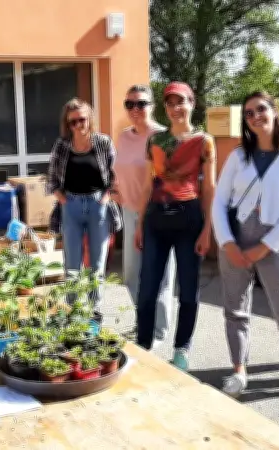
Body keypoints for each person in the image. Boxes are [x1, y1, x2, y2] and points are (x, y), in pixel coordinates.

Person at [212, 91, 279, 405]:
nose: (256, 116)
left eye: (261, 109)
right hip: (234, 239)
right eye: (249, 113)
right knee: (235, 311)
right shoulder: (238, 156)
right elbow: (219, 202)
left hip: (276, 242)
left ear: (274, 111)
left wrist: (265, 247)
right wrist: (228, 243)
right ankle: (238, 371)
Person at [134, 81, 215, 371]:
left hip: (188, 218)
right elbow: (147, 184)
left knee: (189, 289)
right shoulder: (155, 141)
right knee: (147, 289)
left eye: (181, 101)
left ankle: (182, 349)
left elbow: (210, 188)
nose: (176, 108)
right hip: (156, 217)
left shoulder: (204, 141)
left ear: (192, 103)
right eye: (170, 103)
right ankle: (143, 345)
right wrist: (140, 224)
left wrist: (207, 229)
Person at [114, 84, 177, 349]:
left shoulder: (164, 136)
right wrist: (116, 191)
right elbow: (119, 168)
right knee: (132, 274)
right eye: (130, 104)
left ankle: (158, 330)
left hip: (158, 213)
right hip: (130, 211)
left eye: (141, 104)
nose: (135, 110)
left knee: (160, 273)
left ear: (152, 106)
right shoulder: (124, 137)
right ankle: (145, 320)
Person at [47, 97, 122, 307]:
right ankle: (73, 310)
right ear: (67, 124)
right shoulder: (62, 145)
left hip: (98, 204)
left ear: (89, 119)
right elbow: (52, 177)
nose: (78, 125)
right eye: (73, 122)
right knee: (72, 263)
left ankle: (94, 310)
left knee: (97, 264)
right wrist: (62, 199)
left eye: (82, 119)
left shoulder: (103, 142)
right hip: (71, 205)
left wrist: (107, 199)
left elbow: (116, 174)